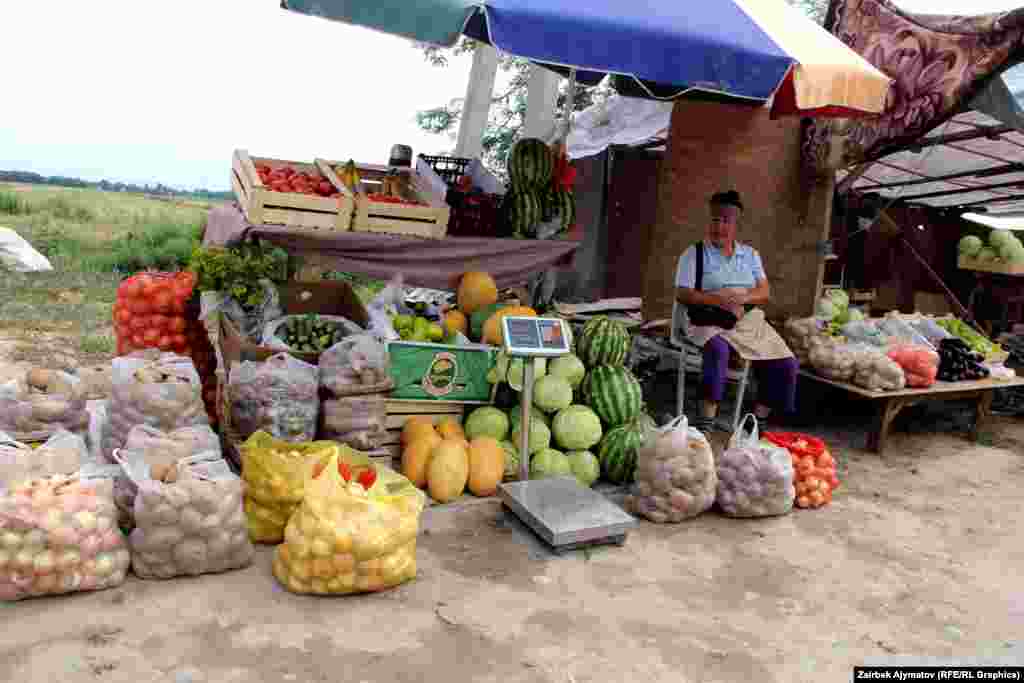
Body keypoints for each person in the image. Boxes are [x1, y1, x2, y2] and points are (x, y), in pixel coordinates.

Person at [674, 190, 799, 433]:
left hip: (746, 321)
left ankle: (758, 418)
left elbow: (764, 291)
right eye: (714, 219)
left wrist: (743, 298)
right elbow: (683, 293)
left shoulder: (750, 255)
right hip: (707, 319)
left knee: (786, 363)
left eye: (725, 220)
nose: (718, 226)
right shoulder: (694, 253)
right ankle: (707, 420)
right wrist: (717, 300)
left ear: (735, 224)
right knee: (718, 349)